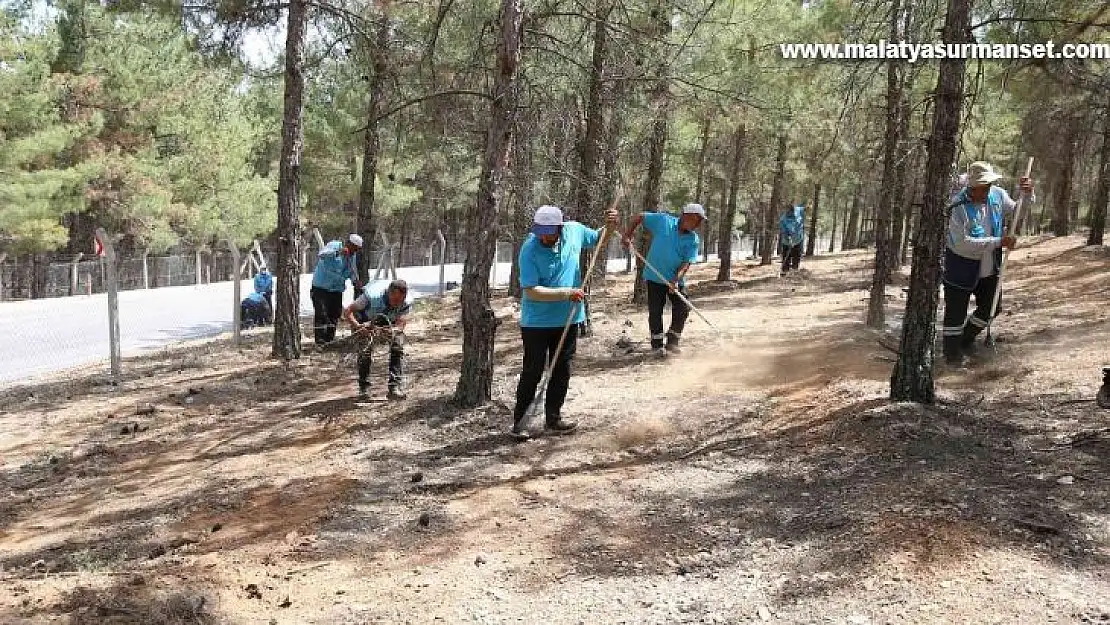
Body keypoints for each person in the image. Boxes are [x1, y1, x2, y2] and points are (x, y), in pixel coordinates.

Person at [512, 204, 620, 439]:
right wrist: (566, 293)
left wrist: (610, 226)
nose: (544, 236)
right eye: (541, 231)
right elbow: (532, 291)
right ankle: (520, 422)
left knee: (562, 370)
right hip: (536, 323)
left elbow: (597, 239)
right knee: (533, 370)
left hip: (569, 318)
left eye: (549, 231)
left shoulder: (574, 230)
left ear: (560, 227)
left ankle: (553, 418)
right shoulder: (529, 250)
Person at [941, 161, 1035, 366]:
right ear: (971, 187)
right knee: (954, 316)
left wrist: (1027, 195)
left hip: (990, 267)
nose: (986, 191)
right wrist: (999, 242)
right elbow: (962, 243)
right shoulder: (957, 207)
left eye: (989, 186)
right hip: (960, 267)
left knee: (992, 307)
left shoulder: (997, 195)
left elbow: (1018, 210)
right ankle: (951, 357)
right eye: (982, 187)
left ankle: (966, 340)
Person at [621, 203, 704, 355]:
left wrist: (675, 280)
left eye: (699, 221)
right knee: (655, 311)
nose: (698, 224)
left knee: (682, 308)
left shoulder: (693, 240)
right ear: (685, 216)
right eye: (696, 220)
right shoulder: (663, 221)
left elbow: (686, 263)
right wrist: (628, 234)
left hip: (674, 279)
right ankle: (657, 345)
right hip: (654, 277)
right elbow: (640, 216)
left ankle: (672, 342)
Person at [342, 279, 411, 400]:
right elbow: (348, 312)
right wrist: (358, 326)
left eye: (401, 300)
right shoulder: (370, 297)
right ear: (389, 293)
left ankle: (394, 387)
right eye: (395, 300)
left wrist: (390, 331)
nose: (398, 303)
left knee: (398, 345)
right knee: (365, 351)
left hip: (388, 324)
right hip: (363, 321)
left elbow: (400, 325)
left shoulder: (406, 303)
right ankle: (364, 389)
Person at [311, 234, 363, 345]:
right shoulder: (334, 245)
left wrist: (355, 281)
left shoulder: (352, 256)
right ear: (349, 243)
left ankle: (329, 340)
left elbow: (351, 270)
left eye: (357, 250)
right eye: (355, 248)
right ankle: (320, 341)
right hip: (321, 288)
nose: (355, 251)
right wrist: (338, 252)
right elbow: (321, 255)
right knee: (321, 314)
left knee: (335, 314)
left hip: (336, 290)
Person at [779, 204, 805, 275]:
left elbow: (803, 208)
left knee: (797, 255)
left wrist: (808, 206)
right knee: (786, 256)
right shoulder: (783, 219)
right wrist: (789, 238)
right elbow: (784, 231)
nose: (789, 213)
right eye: (787, 212)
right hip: (787, 241)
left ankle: (795, 270)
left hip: (798, 239)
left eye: (791, 212)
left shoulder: (798, 211)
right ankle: (784, 271)